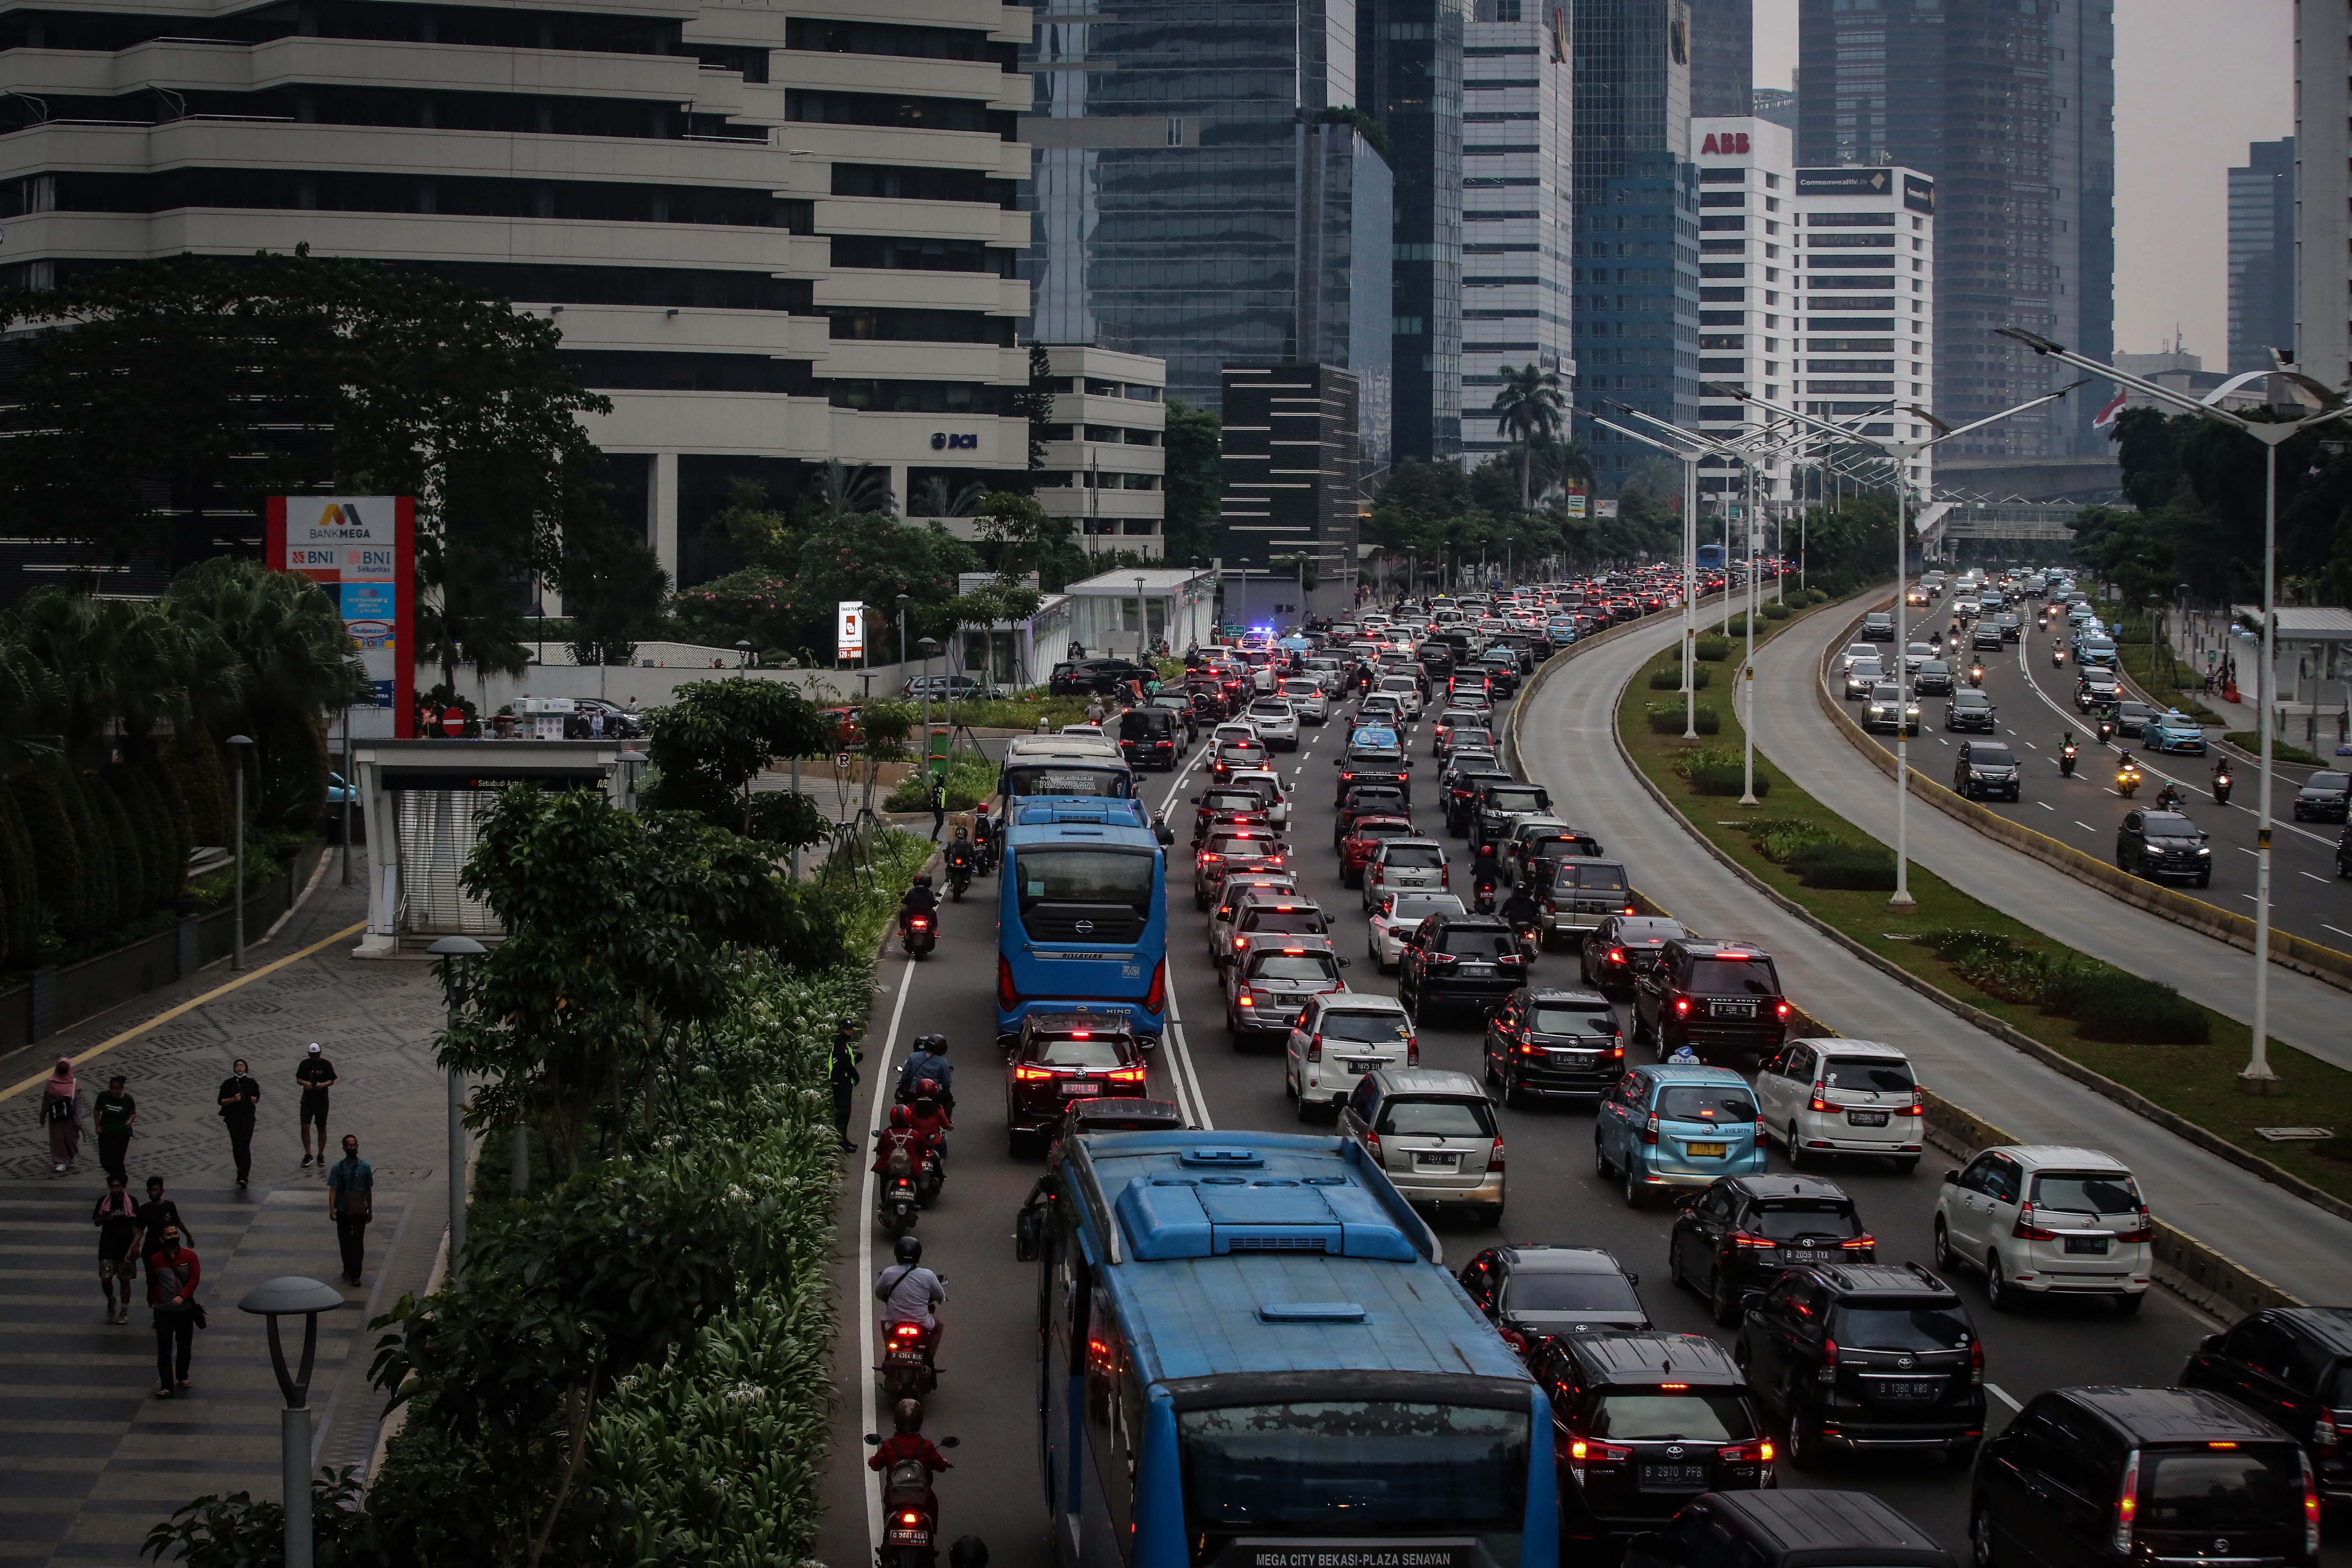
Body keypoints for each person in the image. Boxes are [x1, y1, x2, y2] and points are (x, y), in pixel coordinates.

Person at [146, 1222, 200, 1398]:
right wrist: (152, 1299)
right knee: (165, 1348)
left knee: (185, 1346)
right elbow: (152, 1281)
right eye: (169, 1235)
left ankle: (183, 1376)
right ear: (162, 1239)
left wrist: (183, 1296)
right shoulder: (156, 1260)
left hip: (185, 1310)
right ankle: (166, 1385)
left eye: (175, 1233)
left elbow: (194, 1280)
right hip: (163, 1311)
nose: (173, 1237)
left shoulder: (190, 1256)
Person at [874, 1235, 947, 1360]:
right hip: (922, 1323)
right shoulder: (928, 1275)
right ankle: (929, 1359)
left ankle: (890, 1353)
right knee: (939, 1326)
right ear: (919, 1254)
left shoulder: (888, 1273)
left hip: (895, 1322)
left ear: (897, 1253)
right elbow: (940, 1297)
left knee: (883, 1323)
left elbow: (879, 1294)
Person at [326, 1134, 374, 1286]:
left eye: (355, 1145)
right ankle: (348, 1266)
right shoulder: (338, 1168)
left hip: (360, 1209)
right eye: (350, 1146)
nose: (353, 1148)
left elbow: (368, 1190)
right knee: (345, 1240)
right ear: (344, 1148)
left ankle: (356, 1274)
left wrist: (370, 1210)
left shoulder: (365, 1167)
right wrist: (332, 1208)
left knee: (358, 1242)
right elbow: (333, 1189)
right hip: (343, 1209)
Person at [93, 1174, 140, 1324]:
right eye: (112, 1186)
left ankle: (124, 1310)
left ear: (124, 1186)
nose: (115, 1190)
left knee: (125, 1280)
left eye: (118, 1186)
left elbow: (137, 1226)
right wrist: (105, 1218)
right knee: (106, 1278)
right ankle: (111, 1299)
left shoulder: (131, 1202)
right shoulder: (104, 1202)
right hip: (107, 1246)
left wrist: (136, 1247)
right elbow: (96, 1222)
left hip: (126, 1247)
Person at [868, 1396, 953, 1478]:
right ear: (920, 1421)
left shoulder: (888, 1445)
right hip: (921, 1491)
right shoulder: (927, 1445)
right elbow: (941, 1467)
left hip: (894, 1491)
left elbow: (876, 1466)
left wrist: (871, 1460)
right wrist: (945, 1463)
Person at [217, 1059, 261, 1189]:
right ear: (234, 1069)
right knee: (237, 1146)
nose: (240, 1068)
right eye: (237, 1066)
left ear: (246, 1068)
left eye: (242, 1066)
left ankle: (244, 1175)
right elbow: (221, 1101)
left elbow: (257, 1096)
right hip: (233, 1119)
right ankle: (240, 1169)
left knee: (245, 1145)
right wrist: (233, 1100)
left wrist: (255, 1099)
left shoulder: (252, 1083)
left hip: (248, 1119)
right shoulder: (228, 1084)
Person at [131, 1175, 191, 1264]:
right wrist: (135, 1247)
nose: (153, 1193)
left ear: (162, 1191)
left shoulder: (169, 1206)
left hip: (168, 1247)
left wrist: (188, 1236)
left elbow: (178, 1222)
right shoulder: (145, 1209)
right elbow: (139, 1230)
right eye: (151, 1190)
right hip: (151, 1248)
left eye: (156, 1190)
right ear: (148, 1192)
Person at [295, 1042, 336, 1169]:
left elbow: (332, 1080)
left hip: (322, 1101)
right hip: (307, 1100)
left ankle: (320, 1154)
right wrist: (305, 1083)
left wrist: (322, 1085)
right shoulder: (304, 1064)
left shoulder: (326, 1064)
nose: (314, 1057)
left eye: (316, 1055)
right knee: (305, 1127)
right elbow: (298, 1079)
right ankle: (308, 1154)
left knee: (321, 1127)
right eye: (312, 1055)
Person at [39, 1058, 81, 1176]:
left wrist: (78, 1120)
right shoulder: (51, 1083)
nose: (63, 1070)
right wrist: (43, 1116)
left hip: (70, 1118)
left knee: (71, 1138)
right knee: (57, 1140)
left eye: (65, 1068)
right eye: (61, 1067)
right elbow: (46, 1101)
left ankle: (72, 1155)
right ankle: (60, 1161)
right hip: (56, 1118)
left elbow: (77, 1103)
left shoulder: (74, 1084)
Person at [92, 1074, 136, 1184]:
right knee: (104, 1160)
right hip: (106, 1132)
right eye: (112, 1089)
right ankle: (119, 1177)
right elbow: (97, 1110)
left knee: (118, 1160)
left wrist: (130, 1122)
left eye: (117, 1089)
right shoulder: (103, 1096)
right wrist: (98, 1125)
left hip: (122, 1134)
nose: (114, 1091)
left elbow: (133, 1113)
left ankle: (119, 1181)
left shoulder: (128, 1099)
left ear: (122, 1089)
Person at [829, 1017, 862, 1154]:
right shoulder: (841, 1046)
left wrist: (857, 1059)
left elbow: (847, 1061)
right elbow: (845, 1064)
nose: (850, 1031)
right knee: (843, 1114)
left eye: (851, 1029)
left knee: (845, 1113)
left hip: (844, 1083)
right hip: (841, 1084)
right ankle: (841, 1143)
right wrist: (856, 1076)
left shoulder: (844, 1044)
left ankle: (844, 1140)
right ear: (841, 1030)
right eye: (848, 1029)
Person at [896, 1034, 953, 1111]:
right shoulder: (943, 1062)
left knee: (900, 1102)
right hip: (934, 1096)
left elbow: (905, 1076)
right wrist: (947, 1091)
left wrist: (901, 1087)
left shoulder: (913, 1057)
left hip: (913, 1095)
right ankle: (947, 1118)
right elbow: (947, 1082)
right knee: (949, 1100)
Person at [898, 874, 940, 944]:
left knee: (902, 912)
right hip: (926, 913)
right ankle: (935, 932)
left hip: (912, 913)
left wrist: (903, 900)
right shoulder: (929, 893)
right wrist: (936, 902)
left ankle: (902, 931)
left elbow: (905, 901)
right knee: (934, 913)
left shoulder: (912, 892)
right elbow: (933, 904)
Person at [927, 773, 948, 843]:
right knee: (940, 823)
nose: (942, 781)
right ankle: (934, 838)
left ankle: (934, 838)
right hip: (937, 807)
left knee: (941, 823)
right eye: (940, 780)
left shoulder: (942, 787)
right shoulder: (937, 788)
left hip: (941, 807)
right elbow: (936, 796)